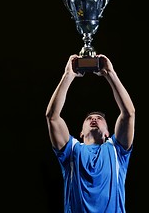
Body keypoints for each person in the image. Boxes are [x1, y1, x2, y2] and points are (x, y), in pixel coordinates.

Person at [45, 54, 135, 213]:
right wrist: (68, 75)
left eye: (99, 118)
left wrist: (110, 74)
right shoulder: (71, 151)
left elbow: (128, 113)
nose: (94, 119)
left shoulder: (116, 151)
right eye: (89, 119)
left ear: (108, 132)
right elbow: (52, 117)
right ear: (80, 132)